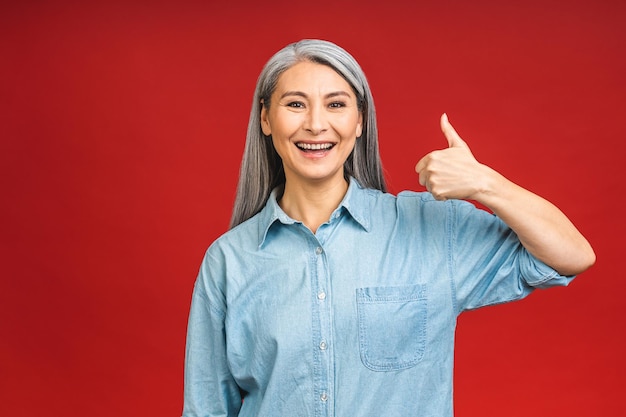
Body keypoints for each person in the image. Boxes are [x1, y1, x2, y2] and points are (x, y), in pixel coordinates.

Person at [182, 39, 595, 417]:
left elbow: (572, 256)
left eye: (336, 104)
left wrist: (486, 184)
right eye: (295, 104)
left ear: (360, 121)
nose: (315, 124)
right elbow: (206, 409)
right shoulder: (228, 261)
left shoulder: (429, 229)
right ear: (266, 119)